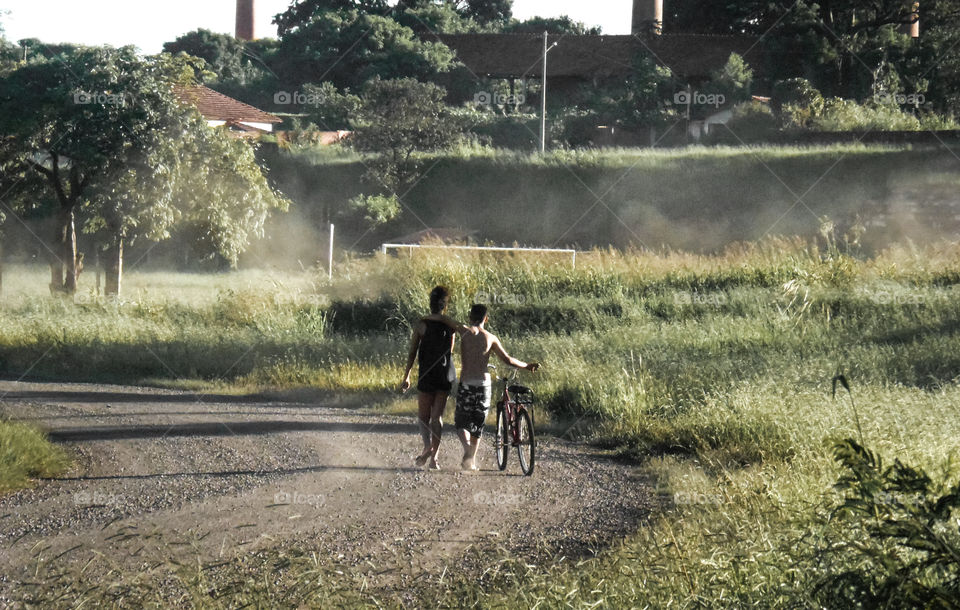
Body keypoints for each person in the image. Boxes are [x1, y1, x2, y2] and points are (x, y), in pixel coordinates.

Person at [452, 304, 539, 471]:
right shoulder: (490, 338)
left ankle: (467, 450)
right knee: (478, 422)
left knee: (461, 421)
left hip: (467, 382)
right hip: (484, 384)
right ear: (486, 318)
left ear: (470, 317)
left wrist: (430, 316)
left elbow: (446, 320)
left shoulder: (464, 331)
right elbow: (508, 360)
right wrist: (527, 365)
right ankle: (471, 459)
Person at [400, 286, 459, 470]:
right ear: (444, 306)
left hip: (426, 374)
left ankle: (427, 446)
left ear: (430, 303)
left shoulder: (421, 324)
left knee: (423, 417)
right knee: (437, 418)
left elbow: (412, 352)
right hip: (444, 374)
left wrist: (407, 376)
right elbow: (450, 351)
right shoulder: (450, 325)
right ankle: (435, 459)